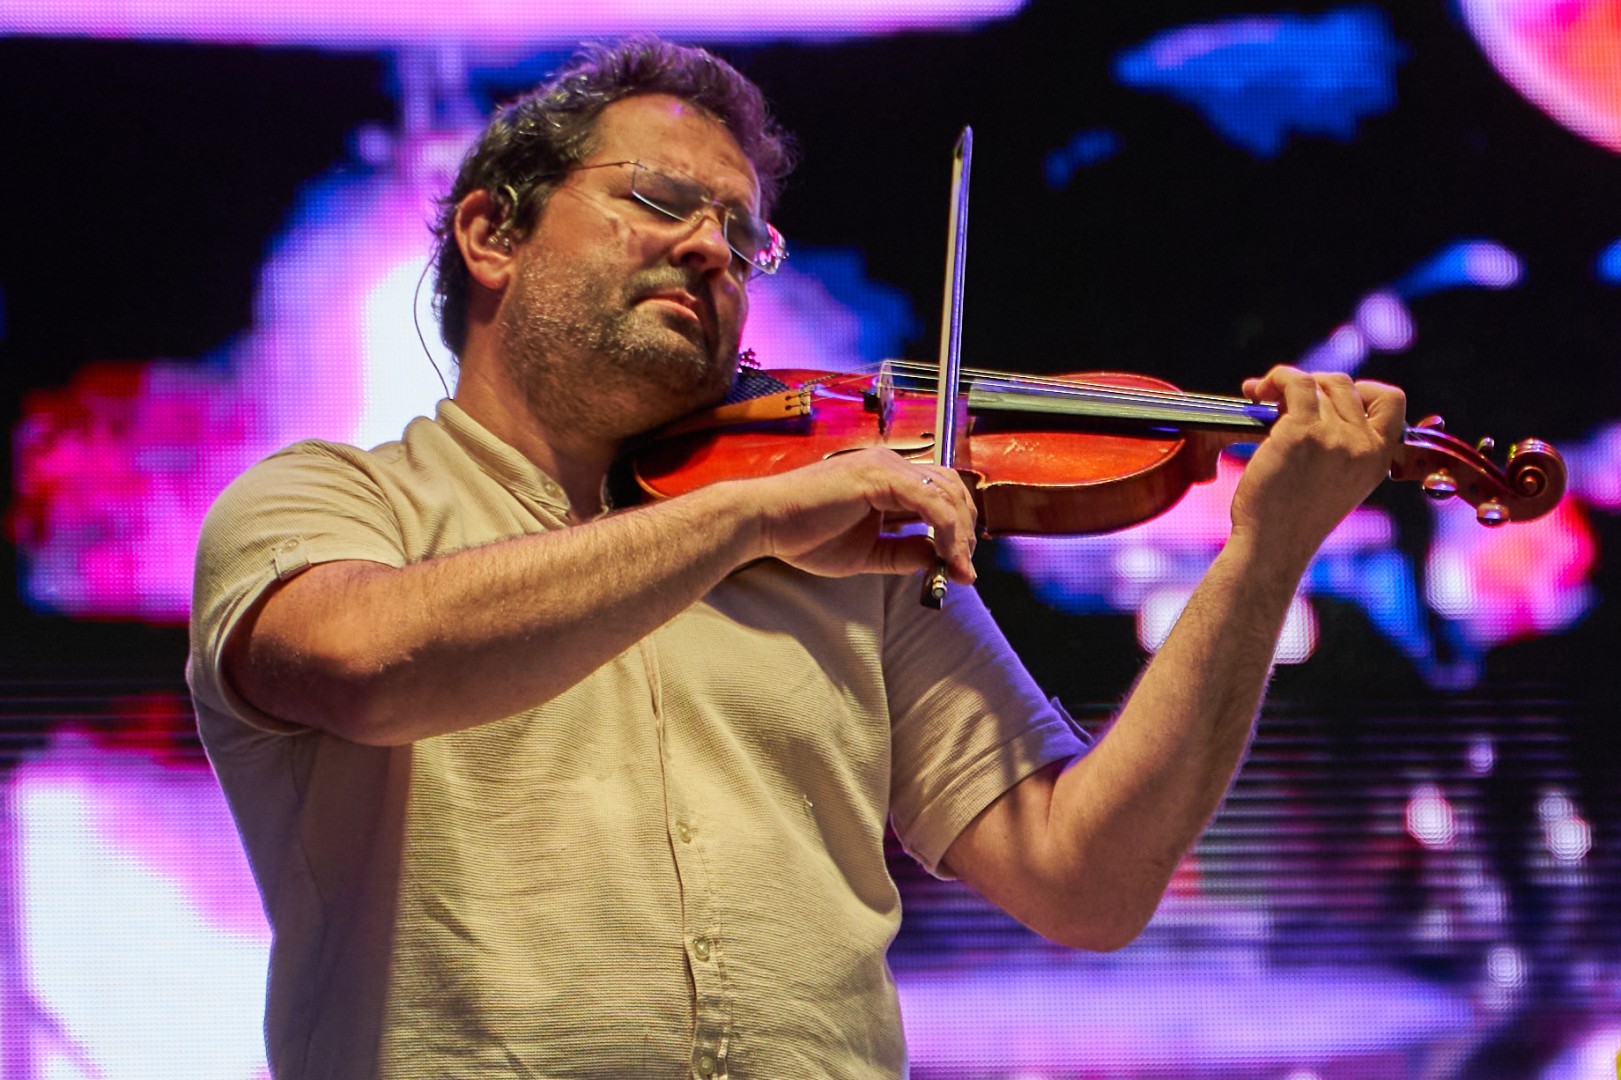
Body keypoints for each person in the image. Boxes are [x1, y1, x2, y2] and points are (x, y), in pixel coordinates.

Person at [188, 37, 1405, 1080]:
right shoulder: (331, 502)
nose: (716, 252)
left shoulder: (840, 556)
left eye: (742, 234)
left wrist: (1265, 554)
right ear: (492, 234)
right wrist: (745, 524)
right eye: (663, 202)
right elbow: (364, 664)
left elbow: (1086, 876)